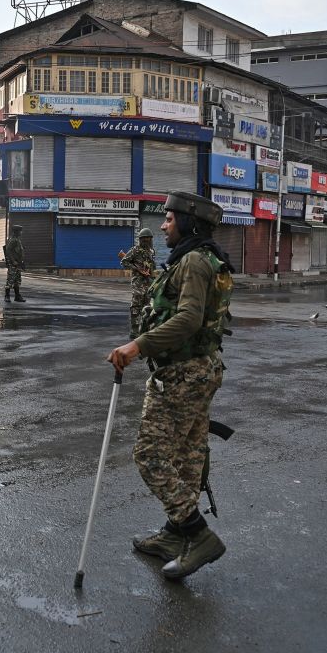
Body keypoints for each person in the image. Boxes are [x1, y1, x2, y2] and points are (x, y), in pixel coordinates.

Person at [107, 192, 234, 581]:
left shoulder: (194, 261)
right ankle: (175, 534)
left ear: (187, 222)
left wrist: (137, 345)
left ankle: (198, 534)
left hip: (182, 373)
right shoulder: (199, 257)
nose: (163, 226)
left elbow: (190, 319)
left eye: (168, 219)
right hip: (199, 369)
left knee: (150, 455)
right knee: (188, 455)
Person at [119, 228, 157, 339]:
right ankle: (134, 331)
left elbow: (152, 266)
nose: (147, 240)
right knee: (136, 307)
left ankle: (145, 329)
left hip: (149, 282)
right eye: (144, 238)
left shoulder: (151, 251)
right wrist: (138, 269)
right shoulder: (134, 250)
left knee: (148, 307)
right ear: (140, 239)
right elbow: (124, 262)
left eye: (148, 238)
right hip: (138, 283)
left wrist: (152, 274)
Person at [4, 225, 26, 302]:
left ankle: (17, 296)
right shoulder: (13, 240)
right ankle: (7, 296)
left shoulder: (17, 239)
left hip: (18, 263)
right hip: (13, 264)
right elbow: (8, 251)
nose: (21, 232)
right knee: (10, 279)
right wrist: (13, 261)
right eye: (20, 231)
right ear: (16, 232)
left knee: (17, 280)